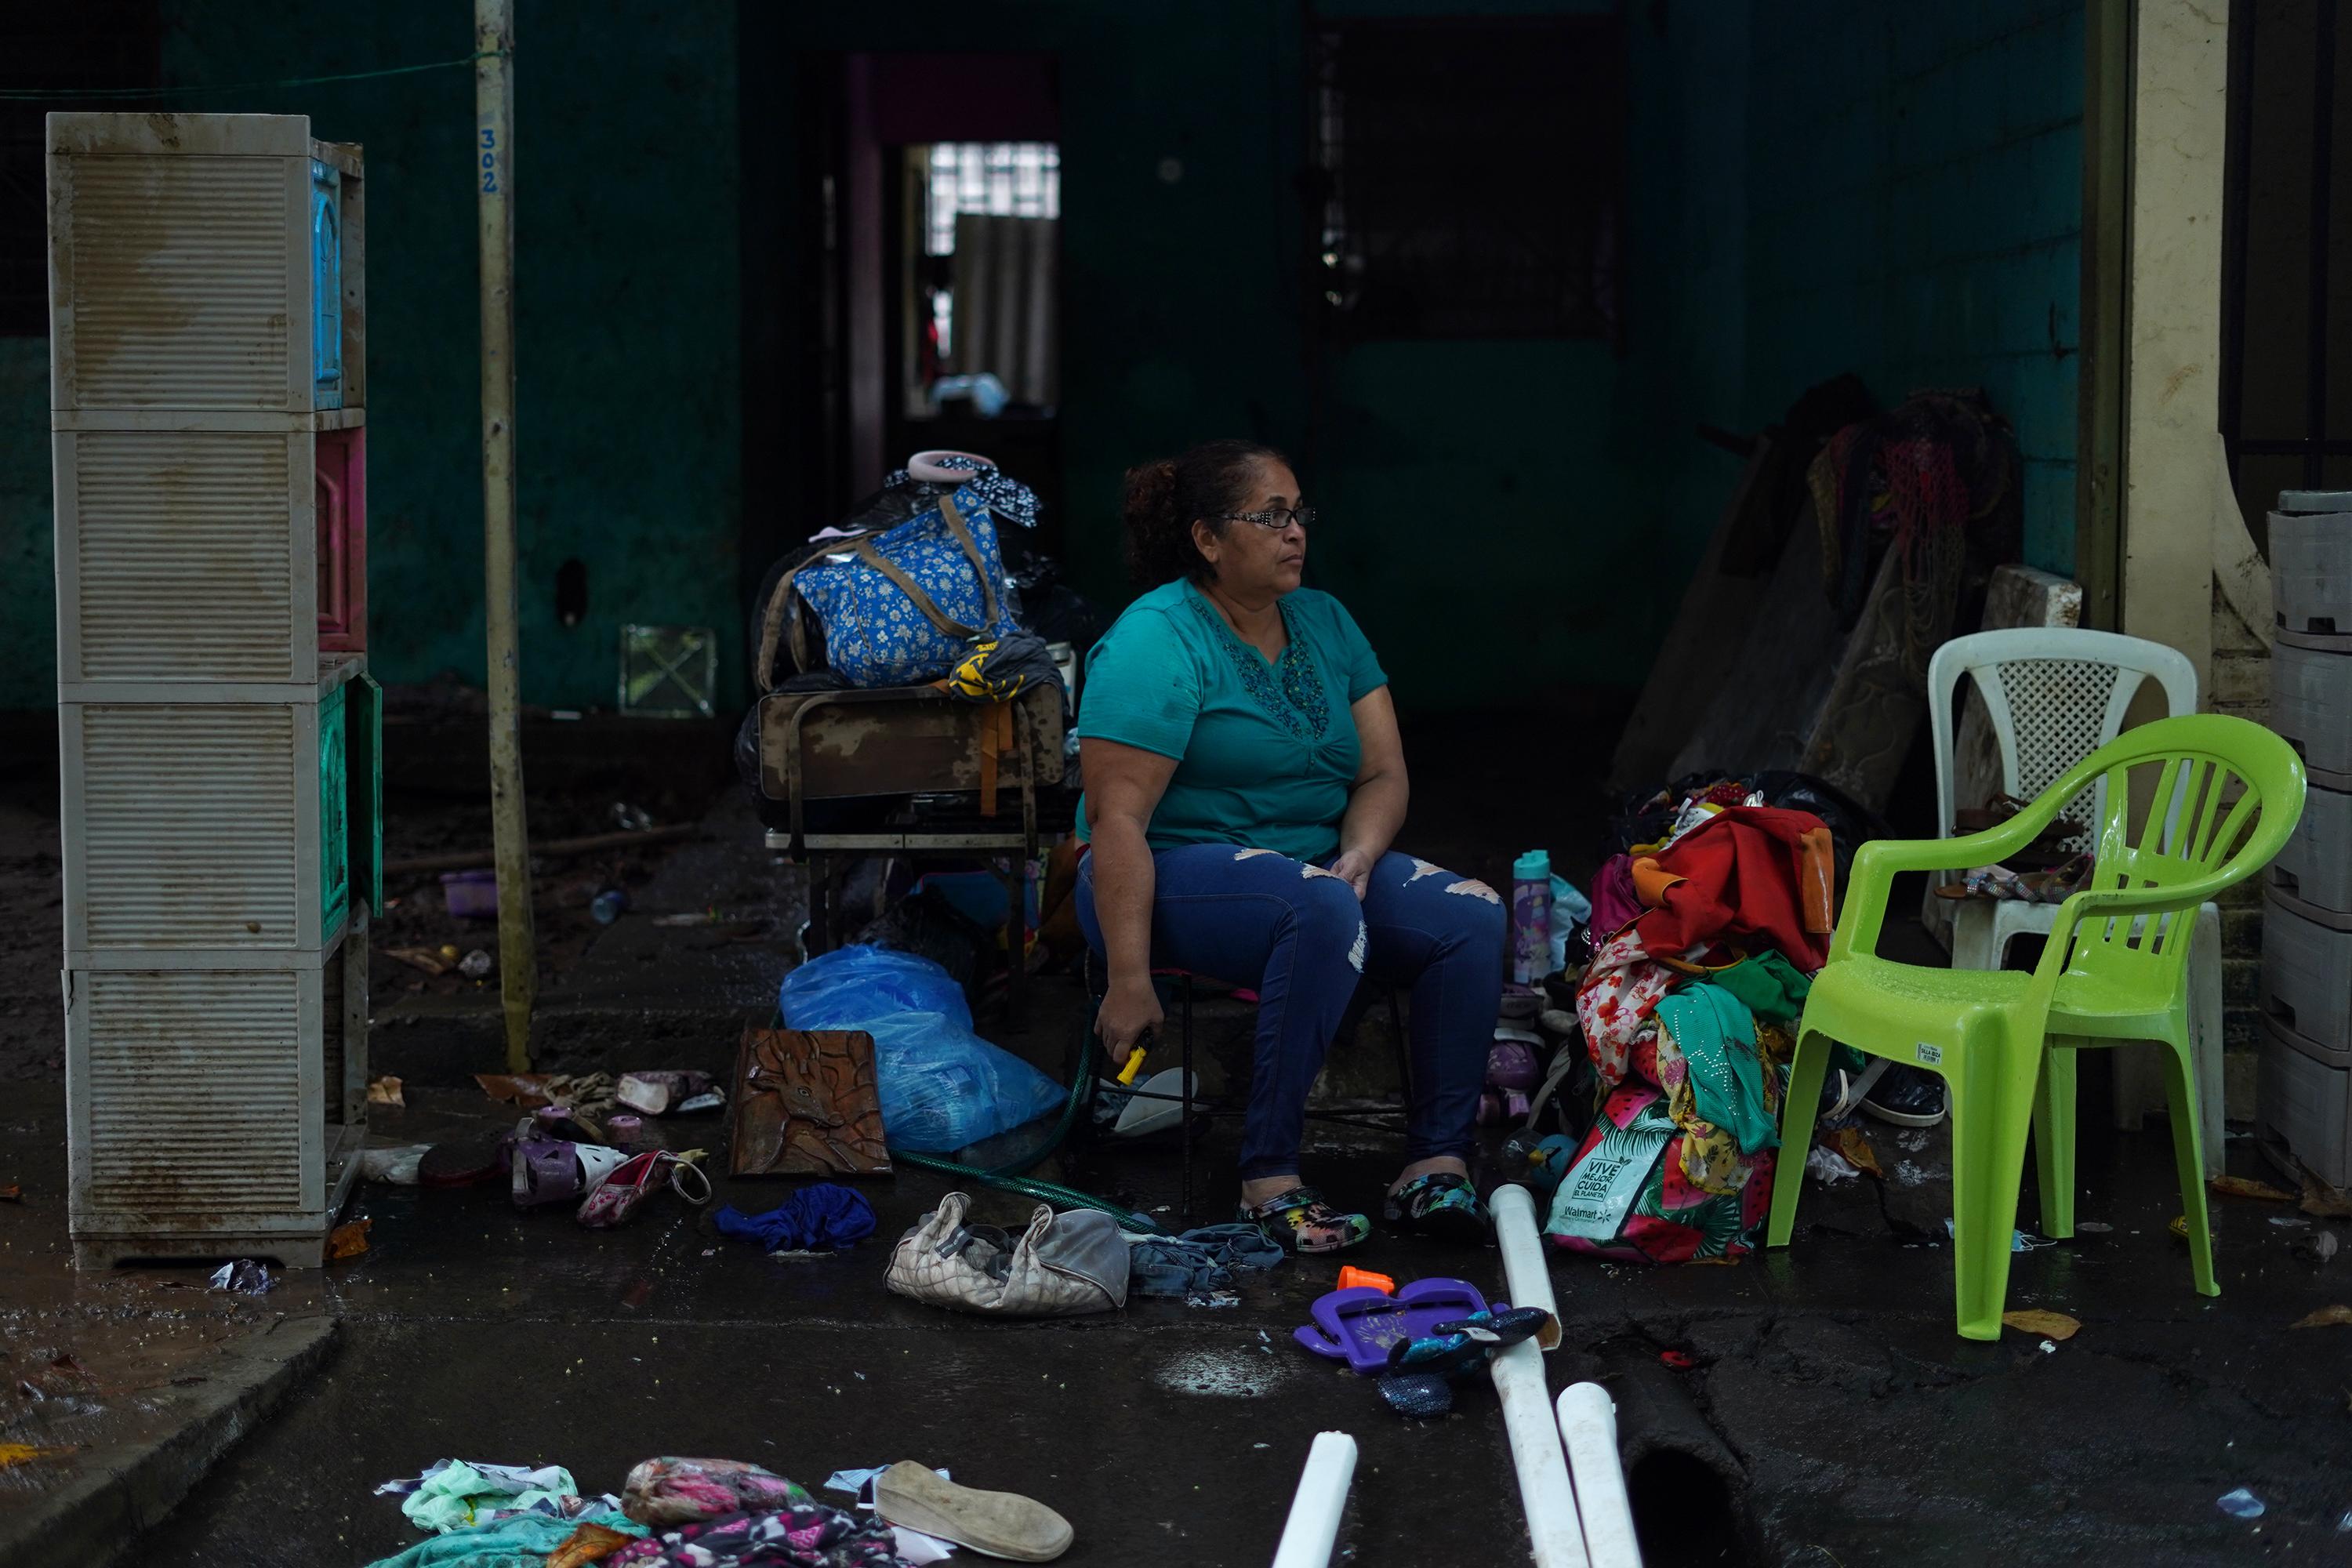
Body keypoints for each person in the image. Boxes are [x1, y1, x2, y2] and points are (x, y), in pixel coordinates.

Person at [1073, 439, 1505, 1254]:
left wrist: (1363, 852)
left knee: (1470, 916)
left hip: (1313, 875)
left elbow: (1383, 772)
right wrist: (1129, 978)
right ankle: (1268, 1177)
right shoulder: (1157, 638)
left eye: (1299, 512)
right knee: (1321, 903)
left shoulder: (1326, 621)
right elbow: (1117, 819)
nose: (1296, 530)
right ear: (1208, 538)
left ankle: (1435, 1163)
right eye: (1270, 516)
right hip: (1161, 880)